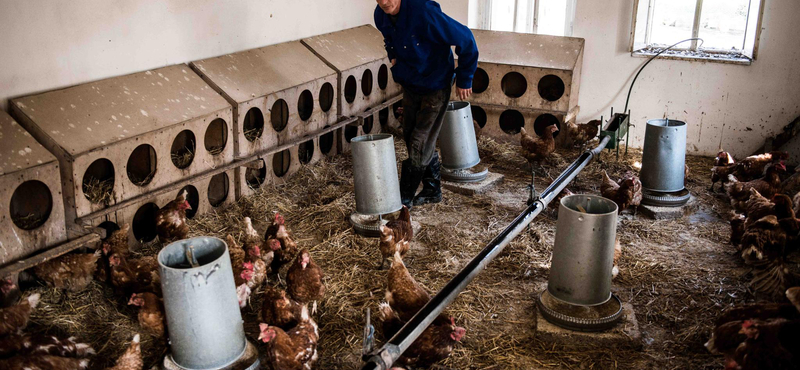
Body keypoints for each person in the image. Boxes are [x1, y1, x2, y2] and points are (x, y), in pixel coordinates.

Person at [374, 0, 478, 209]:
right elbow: (389, 40)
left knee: (420, 140)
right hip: (411, 81)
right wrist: (393, 58)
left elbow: (465, 38)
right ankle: (432, 189)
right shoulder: (380, 14)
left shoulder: (423, 12)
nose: (384, 2)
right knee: (409, 133)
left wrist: (465, 77)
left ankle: (402, 201)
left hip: (436, 83)